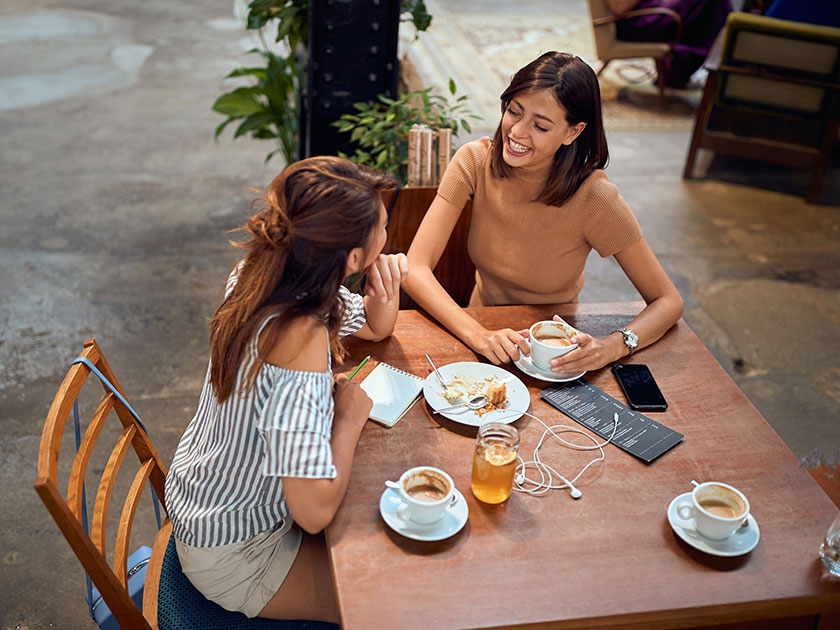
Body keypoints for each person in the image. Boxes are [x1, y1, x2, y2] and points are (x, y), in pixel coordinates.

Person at [164, 156, 408, 622]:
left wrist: (383, 284)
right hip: (238, 551)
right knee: (392, 600)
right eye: (382, 226)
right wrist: (349, 418)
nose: (387, 233)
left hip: (207, 495)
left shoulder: (273, 270)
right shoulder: (301, 335)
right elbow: (313, 512)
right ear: (353, 257)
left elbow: (376, 329)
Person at [403, 51, 683, 376]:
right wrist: (477, 335)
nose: (517, 132)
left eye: (540, 125)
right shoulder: (475, 162)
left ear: (572, 133)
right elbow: (414, 268)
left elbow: (668, 301)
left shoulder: (594, 198)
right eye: (513, 111)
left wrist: (611, 347)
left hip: (554, 356)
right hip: (480, 333)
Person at [606, 0, 733, 88]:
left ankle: (721, 59)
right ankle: (725, 60)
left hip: (653, 14)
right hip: (641, 23)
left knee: (711, 6)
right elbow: (619, 8)